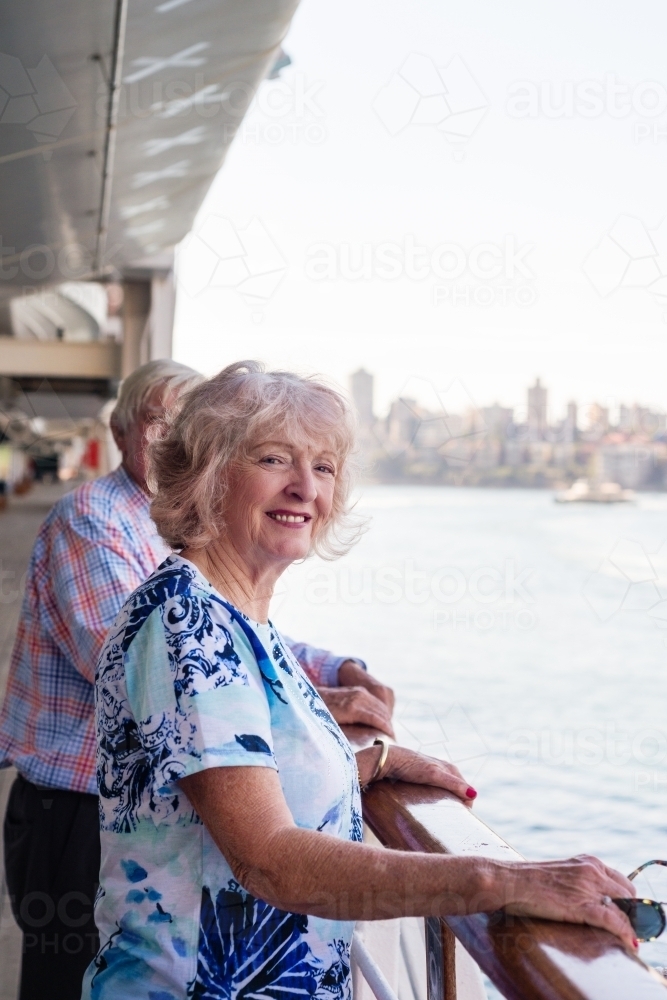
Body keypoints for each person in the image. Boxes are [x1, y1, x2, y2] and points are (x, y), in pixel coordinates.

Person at [82, 361, 636, 1000]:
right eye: (273, 459)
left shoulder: (236, 616)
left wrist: (371, 761)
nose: (305, 488)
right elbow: (268, 857)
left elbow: (238, 770)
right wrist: (502, 882)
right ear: (207, 476)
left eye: (323, 467)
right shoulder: (186, 621)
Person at [0, 359, 393, 1000]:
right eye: (157, 420)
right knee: (56, 980)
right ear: (127, 430)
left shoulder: (197, 559)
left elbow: (240, 649)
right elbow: (158, 669)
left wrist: (334, 672)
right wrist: (492, 883)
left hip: (165, 802)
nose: (164, 435)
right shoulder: (93, 520)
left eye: (322, 467)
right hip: (70, 806)